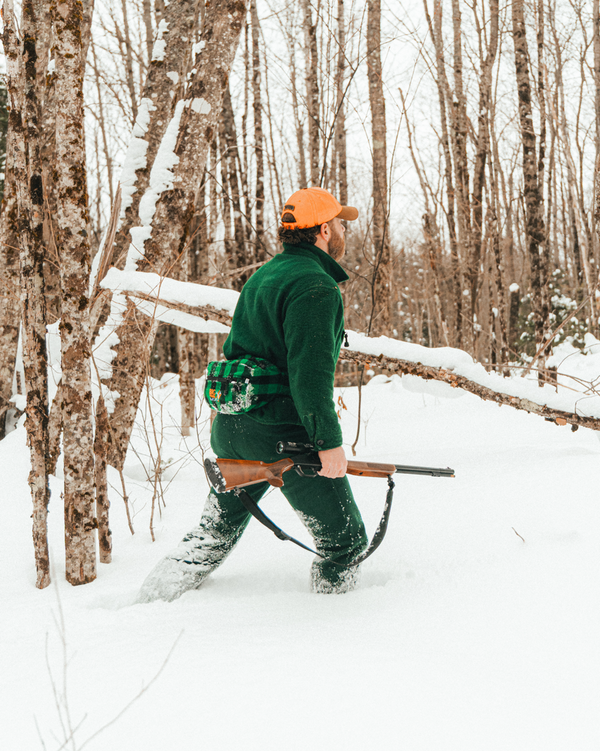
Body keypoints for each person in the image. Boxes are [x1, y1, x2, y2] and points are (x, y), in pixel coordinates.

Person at [136, 187, 368, 603]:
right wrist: (328, 444)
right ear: (323, 229)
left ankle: (147, 602)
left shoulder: (265, 274)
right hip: (285, 437)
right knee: (345, 544)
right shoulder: (317, 286)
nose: (341, 229)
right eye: (338, 222)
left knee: (212, 534)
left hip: (233, 427)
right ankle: (337, 629)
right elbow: (309, 378)